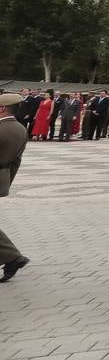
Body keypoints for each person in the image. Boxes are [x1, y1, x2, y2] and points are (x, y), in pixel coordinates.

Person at [0, 94, 30, 283]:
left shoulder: (2, 129)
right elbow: (16, 161)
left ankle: (13, 258)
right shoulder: (20, 129)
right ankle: (12, 258)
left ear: (2, 108)